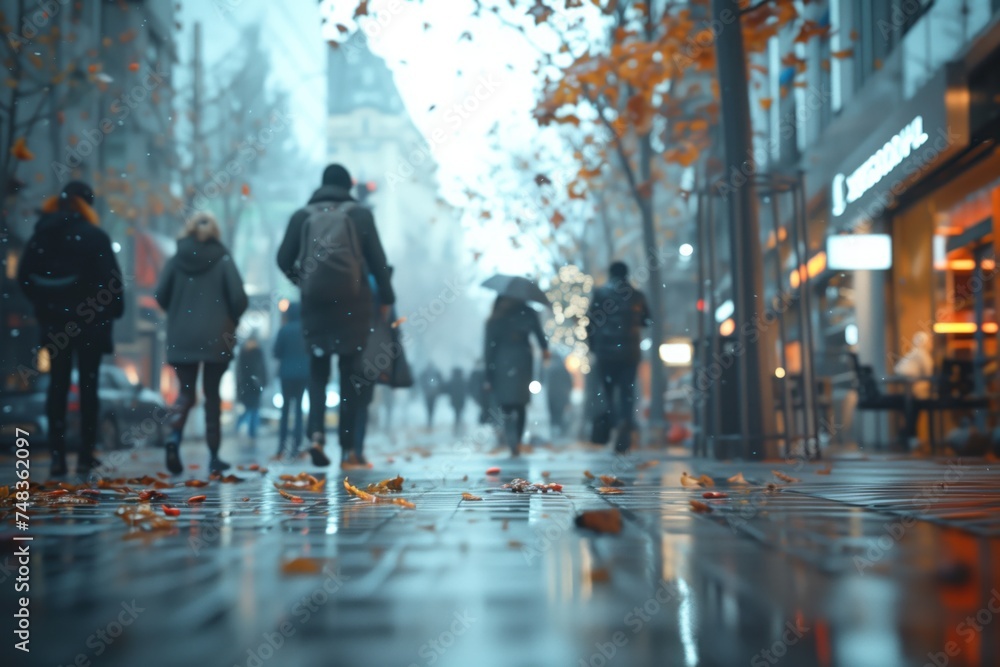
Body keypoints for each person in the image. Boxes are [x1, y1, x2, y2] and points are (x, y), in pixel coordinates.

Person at [277, 163, 395, 467]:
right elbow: (378, 261)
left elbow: (282, 258)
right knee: (349, 375)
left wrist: (302, 280)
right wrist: (386, 298)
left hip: (315, 304)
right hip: (353, 305)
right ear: (348, 186)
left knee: (317, 370)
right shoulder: (359, 215)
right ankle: (347, 450)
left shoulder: (302, 215)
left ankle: (315, 434)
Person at [17, 181, 124, 476]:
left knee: (57, 387)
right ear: (87, 205)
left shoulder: (41, 237)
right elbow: (113, 283)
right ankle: (86, 455)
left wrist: (45, 305)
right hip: (90, 324)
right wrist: (108, 311)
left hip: (55, 324)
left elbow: (25, 276)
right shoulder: (95, 237)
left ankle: (57, 457)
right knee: (88, 389)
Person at [156, 212, 248, 474]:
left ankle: (174, 438)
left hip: (181, 337)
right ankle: (215, 457)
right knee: (212, 396)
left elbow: (161, 296)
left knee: (186, 393)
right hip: (217, 338)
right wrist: (230, 319)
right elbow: (240, 299)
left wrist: (179, 310)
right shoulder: (223, 259)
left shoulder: (175, 260)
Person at [586, 261, 651, 453]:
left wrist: (593, 346)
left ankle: (611, 422)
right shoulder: (637, 296)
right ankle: (625, 422)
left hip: (605, 354)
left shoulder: (600, 293)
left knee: (607, 392)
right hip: (629, 353)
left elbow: (591, 323)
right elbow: (647, 320)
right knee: (627, 393)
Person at [484, 296, 549, 455]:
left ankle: (511, 439)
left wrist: (488, 376)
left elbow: (488, 349)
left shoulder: (497, 316)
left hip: (502, 362)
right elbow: (539, 335)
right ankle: (518, 441)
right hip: (523, 360)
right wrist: (544, 349)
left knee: (506, 405)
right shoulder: (527, 312)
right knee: (521, 405)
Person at [272, 302, 309, 460]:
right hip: (303, 374)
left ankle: (281, 448)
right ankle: (297, 447)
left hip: (286, 375)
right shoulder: (306, 331)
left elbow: (276, 352)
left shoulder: (284, 330)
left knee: (285, 411)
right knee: (299, 410)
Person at [894, 330, 934, 449]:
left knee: (911, 410)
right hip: (915, 393)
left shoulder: (913, 354)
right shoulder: (922, 355)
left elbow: (899, 369)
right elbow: (929, 375)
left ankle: (909, 435)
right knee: (912, 409)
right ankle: (911, 436)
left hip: (911, 392)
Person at [235, 335, 267, 443]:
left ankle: (247, 430)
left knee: (250, 408)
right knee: (252, 409)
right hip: (253, 385)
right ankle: (251, 432)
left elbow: (240, 371)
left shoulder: (244, 352)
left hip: (248, 385)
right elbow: (262, 368)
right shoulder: (256, 352)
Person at [546, 354, 573, 437]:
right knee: (559, 414)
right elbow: (570, 383)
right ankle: (558, 429)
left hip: (551, 395)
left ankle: (553, 429)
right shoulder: (564, 370)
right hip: (562, 396)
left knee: (552, 413)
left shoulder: (550, 369)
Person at [418, 364, 444, 429]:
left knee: (429, 407)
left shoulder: (425, 373)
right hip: (433, 394)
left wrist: (425, 390)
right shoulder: (436, 373)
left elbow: (421, 381)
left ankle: (429, 420)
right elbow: (441, 382)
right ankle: (430, 420)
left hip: (428, 394)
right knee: (432, 408)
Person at [447, 367, 467, 432]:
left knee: (456, 413)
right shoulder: (463, 381)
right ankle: (459, 426)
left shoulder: (452, 381)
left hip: (454, 400)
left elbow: (448, 390)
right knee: (459, 413)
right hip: (461, 400)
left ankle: (457, 426)